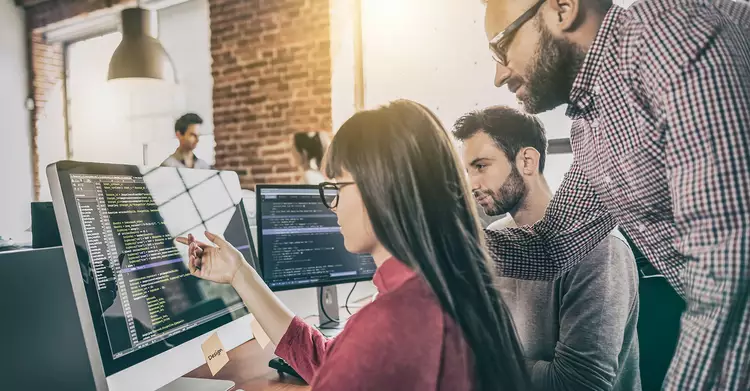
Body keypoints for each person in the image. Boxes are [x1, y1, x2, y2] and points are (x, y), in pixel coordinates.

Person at [481, 0, 750, 389]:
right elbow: (552, 247)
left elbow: (731, 269)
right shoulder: (592, 127)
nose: (498, 75)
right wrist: (435, 238)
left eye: (501, 47)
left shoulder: (672, 41)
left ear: (562, 8)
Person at [177, 100, 530, 390]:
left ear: (379, 191)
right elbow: (329, 362)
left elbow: (353, 358)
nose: (332, 205)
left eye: (337, 187)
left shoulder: (388, 326)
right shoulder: (459, 288)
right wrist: (240, 273)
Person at [455, 106, 640, 391]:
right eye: (468, 171)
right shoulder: (496, 236)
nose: (472, 184)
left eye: (481, 166)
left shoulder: (599, 247)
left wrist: (480, 364)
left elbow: (578, 385)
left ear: (527, 161)